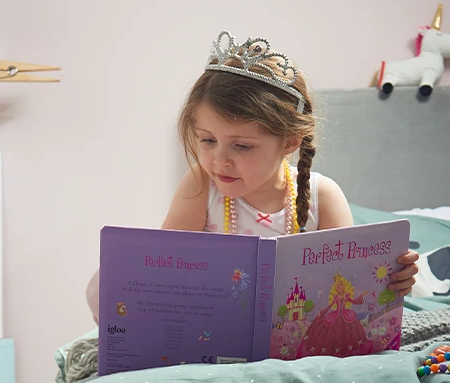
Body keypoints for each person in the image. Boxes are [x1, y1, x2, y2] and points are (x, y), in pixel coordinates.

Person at [86, 30, 420, 324]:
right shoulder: (201, 187)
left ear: (290, 141)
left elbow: (353, 288)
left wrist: (393, 281)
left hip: (303, 346)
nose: (219, 161)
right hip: (210, 337)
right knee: (103, 284)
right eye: (207, 140)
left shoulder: (323, 196)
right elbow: (162, 272)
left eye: (242, 146)